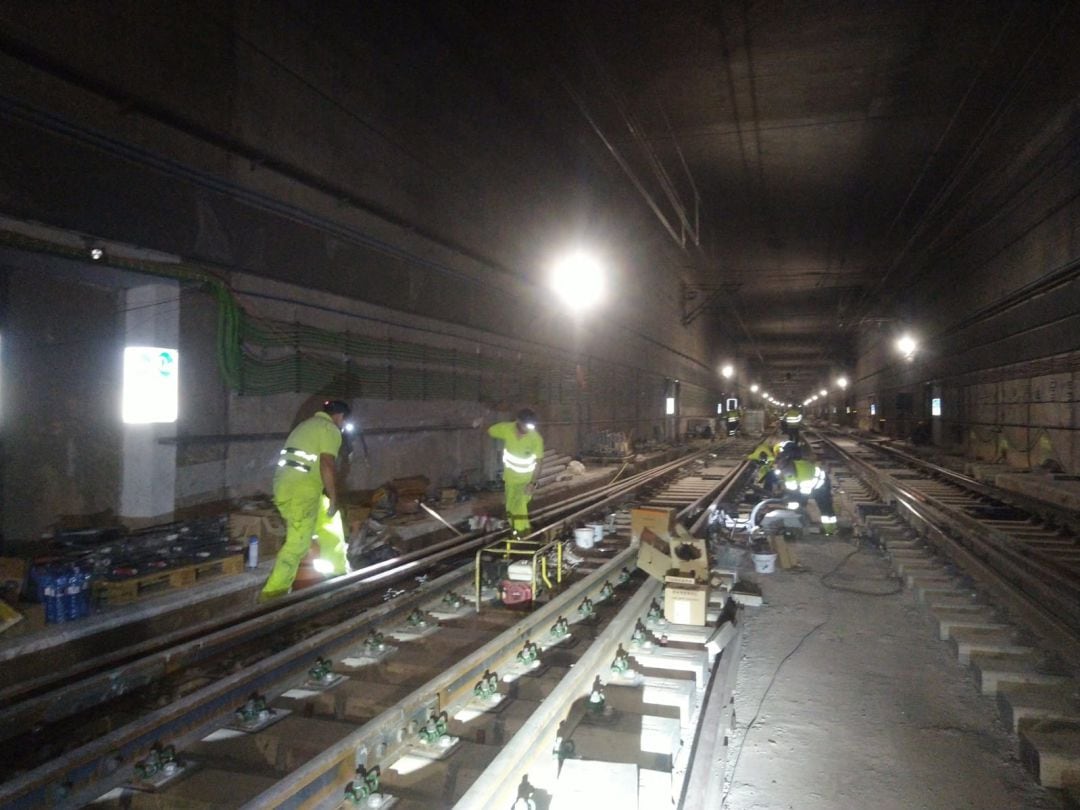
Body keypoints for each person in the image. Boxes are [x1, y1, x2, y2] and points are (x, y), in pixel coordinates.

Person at [261, 400, 352, 599]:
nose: (343, 426)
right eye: (344, 421)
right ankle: (272, 594)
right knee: (298, 544)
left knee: (331, 524)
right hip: (301, 492)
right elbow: (327, 464)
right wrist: (334, 497)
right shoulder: (330, 429)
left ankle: (339, 575)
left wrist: (329, 501)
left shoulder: (306, 425)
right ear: (340, 417)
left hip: (295, 488)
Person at [487, 409, 544, 535]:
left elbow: (539, 462)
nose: (528, 429)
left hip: (526, 481)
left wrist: (532, 483)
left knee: (520, 506)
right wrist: (480, 423)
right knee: (511, 507)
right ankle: (514, 531)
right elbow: (491, 430)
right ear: (518, 421)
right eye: (526, 425)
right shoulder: (507, 429)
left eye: (531, 426)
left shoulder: (535, 438)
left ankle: (523, 533)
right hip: (510, 479)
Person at [777, 451, 837, 535]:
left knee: (825, 508)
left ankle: (830, 531)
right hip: (818, 480)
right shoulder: (794, 464)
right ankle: (828, 528)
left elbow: (795, 491)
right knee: (799, 502)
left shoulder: (791, 473)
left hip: (821, 485)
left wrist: (791, 500)